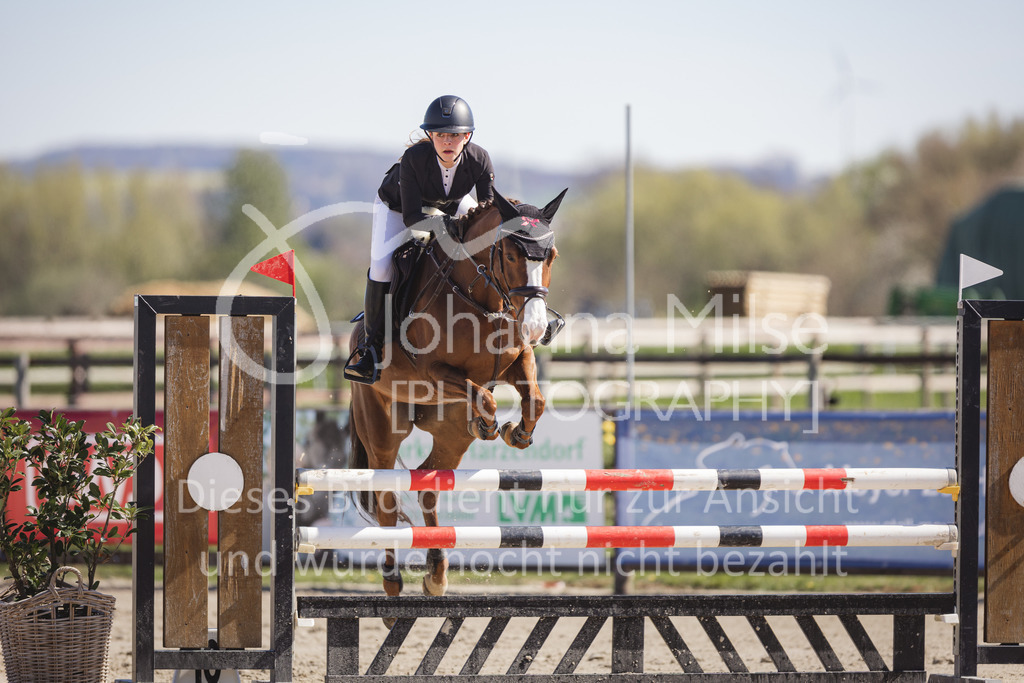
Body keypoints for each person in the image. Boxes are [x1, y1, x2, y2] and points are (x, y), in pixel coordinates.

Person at [344, 95, 496, 384]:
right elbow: (413, 217)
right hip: (398, 207)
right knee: (382, 267)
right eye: (440, 135)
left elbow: (487, 214)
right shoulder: (415, 160)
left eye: (454, 135)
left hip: (449, 202)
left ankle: (518, 317)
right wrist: (448, 226)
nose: (447, 142)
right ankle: (370, 350)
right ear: (430, 135)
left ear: (467, 136)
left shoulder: (479, 159)